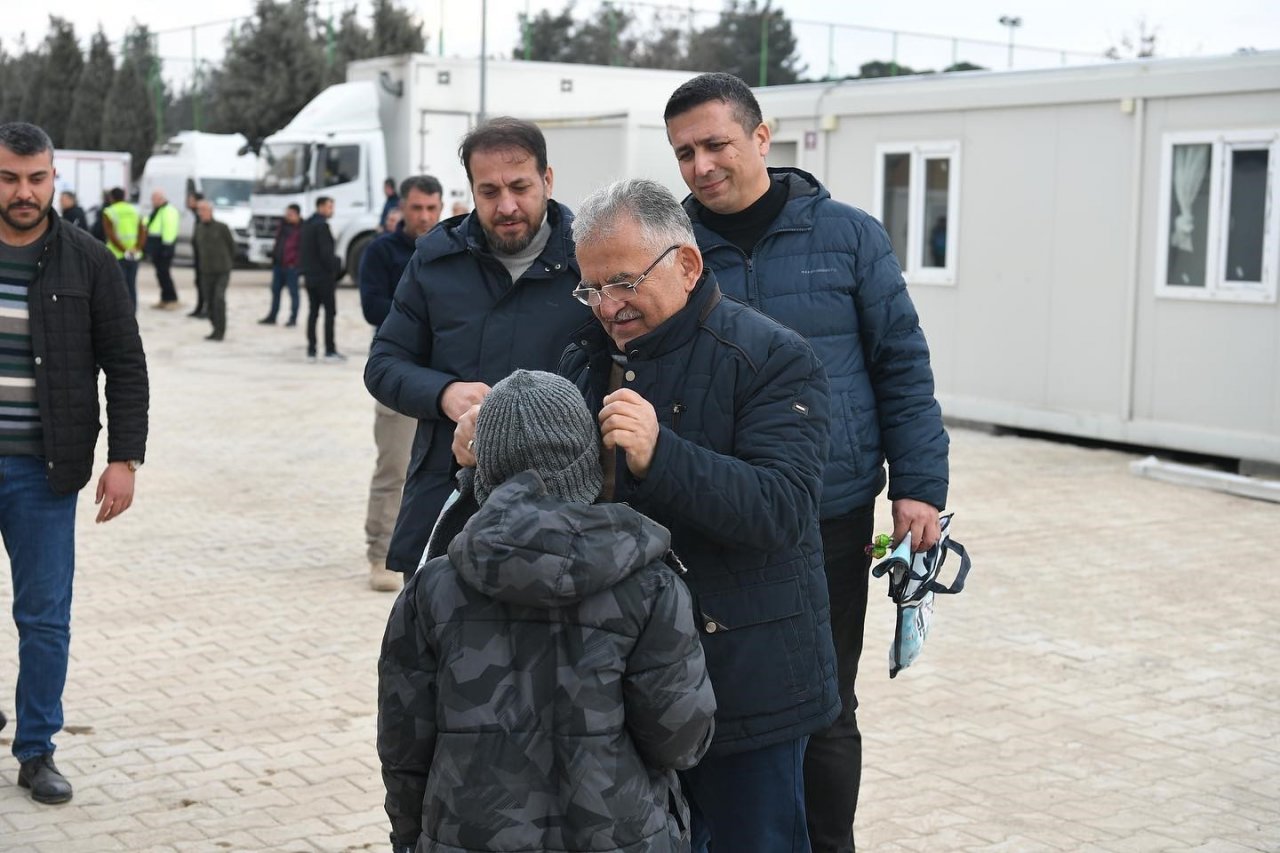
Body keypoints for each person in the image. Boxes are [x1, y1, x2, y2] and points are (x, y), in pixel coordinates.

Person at [456, 179, 839, 851]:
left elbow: (782, 510)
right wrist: (479, 464)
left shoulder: (773, 358)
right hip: (618, 690)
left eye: (624, 282)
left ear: (687, 265)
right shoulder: (584, 356)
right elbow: (549, 501)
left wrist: (662, 454)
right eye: (592, 288)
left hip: (745, 682)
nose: (608, 306)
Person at [663, 72, 950, 853]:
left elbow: (901, 364)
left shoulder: (851, 237)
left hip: (830, 511)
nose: (700, 166)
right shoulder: (671, 250)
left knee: (823, 702)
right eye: (684, 152)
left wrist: (919, 487)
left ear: (762, 136)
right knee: (702, 697)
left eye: (715, 143)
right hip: (713, 511)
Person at [378, 368, 716, 853]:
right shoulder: (649, 586)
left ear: (483, 466)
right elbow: (681, 740)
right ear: (587, 462)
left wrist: (409, 838)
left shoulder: (432, 589)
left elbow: (402, 747)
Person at [363, 117, 591, 576]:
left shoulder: (588, 257)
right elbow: (383, 365)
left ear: (547, 179)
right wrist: (444, 393)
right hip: (449, 503)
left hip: (565, 508)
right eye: (489, 192)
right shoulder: (434, 259)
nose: (506, 205)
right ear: (471, 190)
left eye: (520, 187)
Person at [0, 122, 148, 805]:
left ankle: (36, 749)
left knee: (44, 616)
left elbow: (125, 364)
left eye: (35, 178)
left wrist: (125, 458)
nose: (22, 192)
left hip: (44, 469)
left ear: (54, 178)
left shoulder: (88, 260)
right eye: (8, 177)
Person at [358, 175, 443, 592]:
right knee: (393, 467)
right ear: (401, 208)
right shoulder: (381, 251)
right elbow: (373, 306)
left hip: (448, 381)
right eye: (417, 208)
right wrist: (418, 310)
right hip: (400, 376)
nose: (424, 216)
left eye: (431, 208)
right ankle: (380, 553)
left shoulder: (451, 253)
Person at [300, 196, 344, 362]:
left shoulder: (307, 225)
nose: (331, 210)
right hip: (323, 277)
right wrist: (337, 265)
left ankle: (311, 350)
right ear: (321, 207)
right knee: (329, 313)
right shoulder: (321, 226)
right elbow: (326, 254)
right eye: (329, 207)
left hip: (309, 276)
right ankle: (329, 350)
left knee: (313, 313)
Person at [193, 199, 236, 342]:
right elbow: (197, 249)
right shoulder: (198, 228)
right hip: (205, 271)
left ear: (211, 211)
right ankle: (214, 327)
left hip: (222, 270)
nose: (202, 213)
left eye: (205, 210)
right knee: (209, 301)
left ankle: (220, 331)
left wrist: (228, 263)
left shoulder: (222, 227)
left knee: (219, 299)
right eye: (200, 210)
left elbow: (232, 247)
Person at [259, 204, 303, 326]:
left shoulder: (302, 229)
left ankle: (293, 318)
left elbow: (302, 249)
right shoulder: (282, 226)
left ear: (297, 215)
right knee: (275, 291)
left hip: (291, 267)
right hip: (278, 265)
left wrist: (296, 263)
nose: (288, 216)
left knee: (293, 293)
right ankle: (272, 316)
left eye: (291, 214)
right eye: (287, 214)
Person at [101, 186, 143, 309]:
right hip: (134, 254)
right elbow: (143, 230)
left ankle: (122, 311)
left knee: (118, 286)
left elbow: (111, 235)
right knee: (131, 285)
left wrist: (124, 250)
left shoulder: (109, 212)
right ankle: (133, 311)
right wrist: (137, 247)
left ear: (111, 198)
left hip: (117, 254)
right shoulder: (135, 210)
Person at [144, 189, 182, 309]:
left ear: (160, 199)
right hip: (157, 246)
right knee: (160, 273)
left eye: (153, 199)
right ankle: (165, 298)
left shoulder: (168, 211)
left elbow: (169, 229)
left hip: (164, 247)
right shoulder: (158, 210)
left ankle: (172, 299)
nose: (152, 201)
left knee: (164, 273)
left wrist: (167, 247)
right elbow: (148, 223)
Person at [186, 191, 207, 319]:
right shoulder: (196, 216)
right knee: (199, 282)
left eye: (191, 200)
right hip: (198, 256)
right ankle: (199, 307)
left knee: (204, 283)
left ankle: (205, 309)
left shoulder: (201, 217)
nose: (189, 202)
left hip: (203, 258)